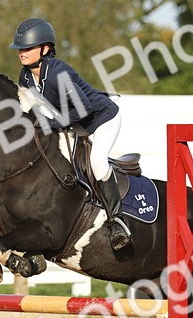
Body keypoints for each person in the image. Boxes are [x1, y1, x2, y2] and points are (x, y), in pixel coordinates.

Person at [10, 17, 131, 250]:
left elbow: (84, 109)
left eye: (27, 48)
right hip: (75, 123)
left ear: (45, 49)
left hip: (102, 118)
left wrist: (54, 124)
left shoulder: (57, 73)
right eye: (20, 48)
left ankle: (117, 221)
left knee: (96, 162)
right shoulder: (25, 77)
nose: (22, 53)